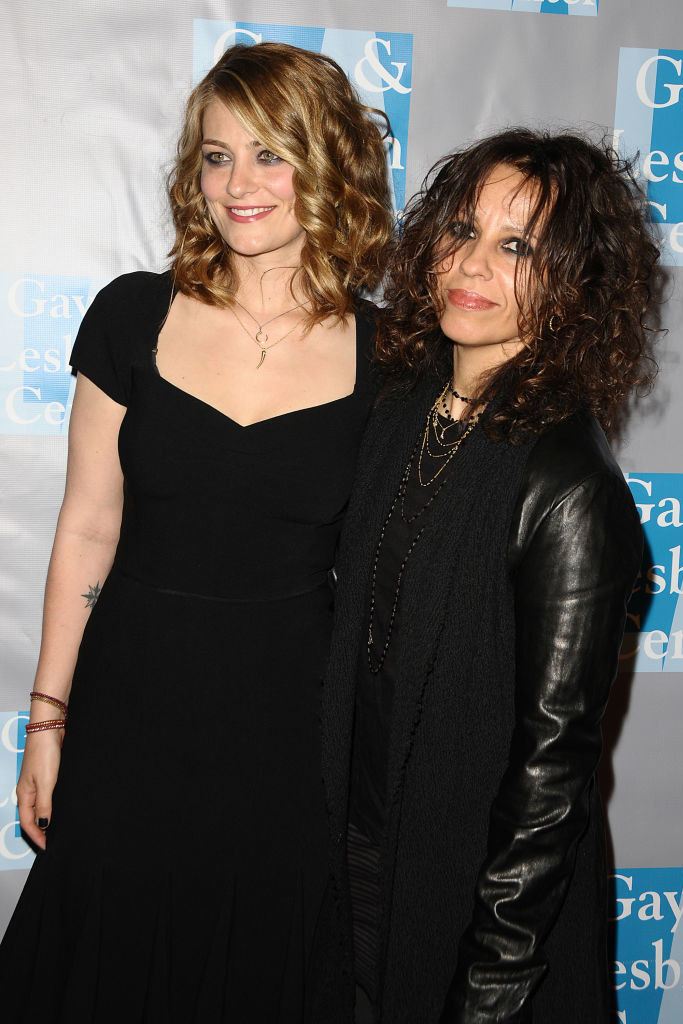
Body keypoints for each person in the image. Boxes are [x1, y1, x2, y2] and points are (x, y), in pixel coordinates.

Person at [0, 42, 392, 1023]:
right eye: (216, 156)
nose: (238, 183)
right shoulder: (132, 317)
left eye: (270, 154)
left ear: (328, 162)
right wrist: (46, 721)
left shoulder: (391, 354)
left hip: (289, 737)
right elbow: (87, 528)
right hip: (131, 715)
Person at [313, 130, 659, 1024]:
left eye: (518, 247)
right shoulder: (397, 413)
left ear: (575, 284)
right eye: (462, 230)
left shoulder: (570, 483)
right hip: (356, 865)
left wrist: (496, 979)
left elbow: (554, 776)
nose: (473, 264)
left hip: (475, 910)